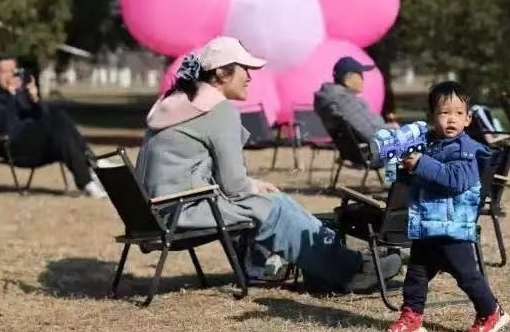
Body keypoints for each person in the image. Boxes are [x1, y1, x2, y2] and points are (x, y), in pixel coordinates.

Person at [135, 37, 402, 292]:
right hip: (183, 211)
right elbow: (234, 187)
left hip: (157, 211)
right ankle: (351, 270)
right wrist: (251, 187)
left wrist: (254, 185)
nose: (250, 77)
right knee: (275, 208)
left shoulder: (175, 102)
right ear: (221, 74)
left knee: (271, 199)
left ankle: (327, 264)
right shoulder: (216, 110)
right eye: (245, 69)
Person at [387, 81, 510, 332]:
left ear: (468, 119)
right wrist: (405, 168)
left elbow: (455, 181)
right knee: (416, 274)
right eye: (444, 113)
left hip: (453, 227)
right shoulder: (428, 145)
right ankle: (412, 316)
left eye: (458, 113)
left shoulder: (468, 150)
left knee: (466, 275)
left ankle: (491, 312)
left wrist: (421, 163)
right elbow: (417, 180)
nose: (451, 119)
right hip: (426, 222)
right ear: (432, 117)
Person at [0, 56, 106, 198]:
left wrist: (35, 99)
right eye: (3, 71)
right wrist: (11, 97)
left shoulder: (21, 95)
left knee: (58, 123)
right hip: (12, 149)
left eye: (12, 71)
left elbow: (42, 117)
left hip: (36, 147)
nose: (9, 76)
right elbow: (7, 129)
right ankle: (92, 165)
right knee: (56, 118)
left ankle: (88, 181)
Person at [314, 56, 398, 142]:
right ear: (348, 79)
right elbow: (371, 134)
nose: (363, 79)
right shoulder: (345, 102)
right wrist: (394, 128)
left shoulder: (334, 100)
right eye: (360, 75)